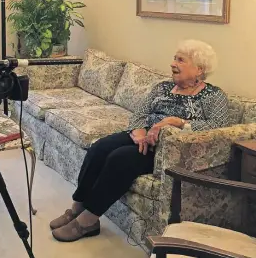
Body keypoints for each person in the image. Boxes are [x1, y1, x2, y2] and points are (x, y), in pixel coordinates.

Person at [50, 40, 230, 242]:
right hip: (141, 136)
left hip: (164, 150)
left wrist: (178, 122)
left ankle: (88, 221)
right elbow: (140, 113)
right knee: (99, 148)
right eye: (174, 58)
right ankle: (78, 206)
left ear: (199, 69)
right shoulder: (162, 87)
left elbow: (219, 127)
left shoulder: (214, 96)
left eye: (180, 60)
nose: (173, 63)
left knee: (119, 159)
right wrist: (138, 132)